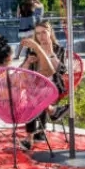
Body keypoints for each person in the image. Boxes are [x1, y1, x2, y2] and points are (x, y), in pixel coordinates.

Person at [18, 21, 69, 150]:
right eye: (38, 33)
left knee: (33, 97)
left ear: (50, 32)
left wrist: (51, 53)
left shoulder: (58, 49)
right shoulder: (32, 50)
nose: (41, 36)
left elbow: (62, 70)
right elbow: (22, 71)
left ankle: (29, 138)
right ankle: (52, 111)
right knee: (34, 96)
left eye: (44, 32)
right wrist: (28, 61)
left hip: (54, 88)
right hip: (36, 87)